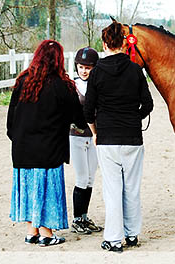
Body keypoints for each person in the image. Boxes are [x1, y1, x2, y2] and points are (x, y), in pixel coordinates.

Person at [6, 40, 87, 247]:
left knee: (30, 188)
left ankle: (32, 231)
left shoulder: (23, 81)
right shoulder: (62, 85)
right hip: (49, 150)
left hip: (22, 149)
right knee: (46, 190)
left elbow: (10, 121)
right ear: (59, 60)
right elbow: (78, 118)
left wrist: (19, 138)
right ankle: (46, 234)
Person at [84, 21, 153, 253]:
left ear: (104, 44)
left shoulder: (96, 73)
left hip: (107, 138)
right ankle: (132, 234)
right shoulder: (136, 70)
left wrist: (96, 130)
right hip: (132, 137)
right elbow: (148, 104)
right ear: (125, 43)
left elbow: (88, 110)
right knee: (132, 188)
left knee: (113, 190)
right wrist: (135, 117)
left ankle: (114, 239)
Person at [69, 47, 103, 234]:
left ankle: (84, 216)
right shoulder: (72, 85)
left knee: (90, 178)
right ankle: (76, 219)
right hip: (76, 136)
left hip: (94, 137)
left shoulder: (98, 85)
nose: (84, 71)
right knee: (82, 177)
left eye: (88, 68)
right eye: (81, 67)